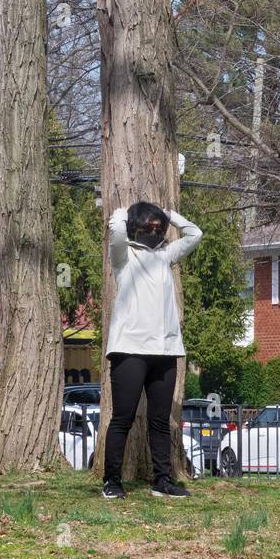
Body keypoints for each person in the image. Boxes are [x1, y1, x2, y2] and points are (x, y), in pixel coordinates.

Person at [101, 201, 203, 499]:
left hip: (165, 350)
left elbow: (195, 234)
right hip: (129, 349)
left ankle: (163, 481)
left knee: (160, 421)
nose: (154, 231)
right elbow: (117, 233)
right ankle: (111, 482)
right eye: (148, 226)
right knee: (123, 418)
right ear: (135, 226)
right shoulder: (123, 256)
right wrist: (122, 212)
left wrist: (168, 214)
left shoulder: (165, 256)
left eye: (159, 227)